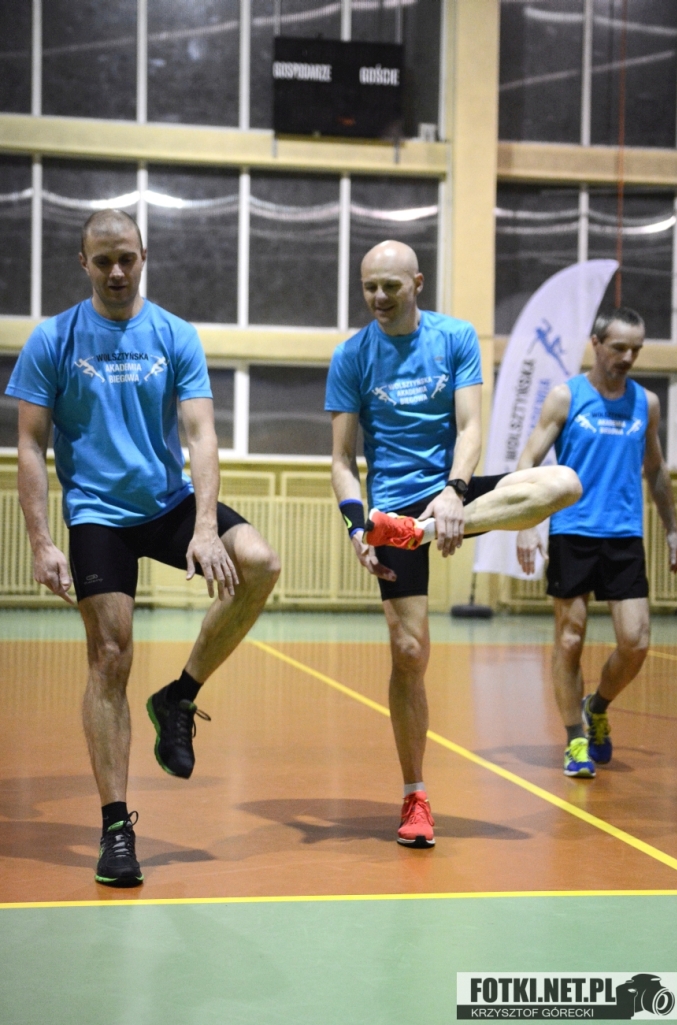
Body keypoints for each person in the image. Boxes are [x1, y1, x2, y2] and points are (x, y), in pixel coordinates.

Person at [6, 209, 280, 887]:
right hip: (98, 514)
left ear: (144, 255)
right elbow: (31, 445)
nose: (116, 272)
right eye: (103, 261)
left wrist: (206, 526)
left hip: (167, 501)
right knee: (110, 654)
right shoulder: (53, 339)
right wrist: (42, 541)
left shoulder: (174, 334)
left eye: (126, 258)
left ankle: (179, 697)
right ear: (84, 263)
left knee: (259, 563)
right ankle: (116, 829)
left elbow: (201, 435)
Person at [325, 239, 581, 849]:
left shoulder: (456, 337)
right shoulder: (352, 356)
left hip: (452, 495)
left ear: (417, 283)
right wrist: (358, 527)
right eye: (369, 287)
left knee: (564, 482)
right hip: (390, 507)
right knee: (409, 652)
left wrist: (453, 494)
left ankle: (423, 529)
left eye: (391, 286)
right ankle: (415, 795)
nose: (379, 297)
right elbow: (341, 460)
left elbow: (470, 428)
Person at [516, 306, 677, 779]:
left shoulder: (646, 403)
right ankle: (575, 739)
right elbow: (528, 459)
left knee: (636, 642)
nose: (627, 357)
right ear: (596, 344)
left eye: (636, 350)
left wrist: (672, 528)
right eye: (619, 347)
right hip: (572, 531)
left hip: (624, 535)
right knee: (570, 639)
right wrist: (528, 522)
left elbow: (656, 470)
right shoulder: (566, 397)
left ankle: (598, 706)